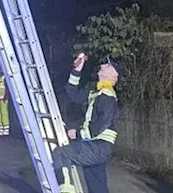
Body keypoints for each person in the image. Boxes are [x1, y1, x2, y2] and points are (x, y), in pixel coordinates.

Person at [51, 52, 123, 193]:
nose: (103, 64)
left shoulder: (107, 96)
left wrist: (77, 133)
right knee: (97, 187)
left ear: (113, 74)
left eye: (107, 64)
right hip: (96, 146)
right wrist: (77, 70)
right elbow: (72, 92)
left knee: (61, 154)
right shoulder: (97, 93)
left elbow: (101, 126)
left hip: (98, 146)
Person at [0, 66, 10, 137]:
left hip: (3, 99)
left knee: (4, 114)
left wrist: (5, 96)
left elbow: (6, 87)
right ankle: (1, 130)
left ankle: (6, 131)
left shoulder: (4, 78)